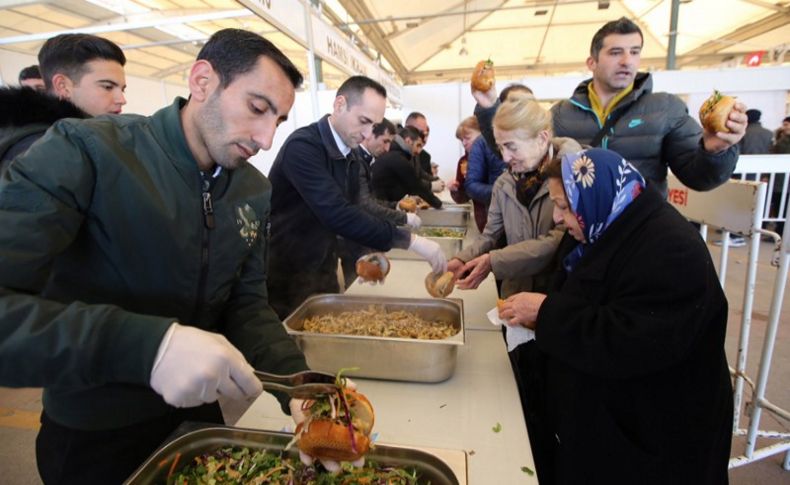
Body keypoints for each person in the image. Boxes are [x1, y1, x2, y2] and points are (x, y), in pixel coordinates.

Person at [0, 29, 311, 483]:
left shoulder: (252, 190)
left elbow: (245, 304)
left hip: (198, 425)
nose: (266, 139)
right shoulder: (87, 150)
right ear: (202, 81)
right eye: (257, 108)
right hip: (94, 435)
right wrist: (151, 346)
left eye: (278, 121)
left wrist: (302, 386)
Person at [500, 148, 733, 484]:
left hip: (652, 435)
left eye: (564, 207)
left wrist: (546, 312)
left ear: (600, 192)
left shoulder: (671, 249)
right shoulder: (602, 226)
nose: (557, 218)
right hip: (604, 418)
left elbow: (632, 339)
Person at [267, 76, 446, 319]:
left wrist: (366, 254)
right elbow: (336, 213)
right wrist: (409, 240)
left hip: (324, 269)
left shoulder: (350, 156)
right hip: (287, 275)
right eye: (363, 121)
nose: (366, 133)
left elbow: (356, 209)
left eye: (373, 125)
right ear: (340, 105)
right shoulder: (303, 148)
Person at [549, 17, 747, 196]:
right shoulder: (560, 114)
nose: (627, 61)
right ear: (592, 62)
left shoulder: (665, 108)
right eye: (615, 53)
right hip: (577, 229)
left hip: (641, 229)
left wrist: (715, 151)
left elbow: (699, 178)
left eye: (634, 52)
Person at [0, 34, 127, 171]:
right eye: (107, 87)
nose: (122, 100)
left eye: (122, 89)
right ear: (63, 86)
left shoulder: (74, 141)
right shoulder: (43, 151)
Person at [337, 119, 421, 289]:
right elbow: (364, 204)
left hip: (359, 238)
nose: (387, 148)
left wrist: (394, 206)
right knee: (357, 289)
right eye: (385, 141)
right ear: (369, 135)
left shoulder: (366, 160)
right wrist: (402, 217)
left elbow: (370, 199)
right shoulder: (357, 161)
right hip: (348, 241)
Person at [371, 125, 443, 209]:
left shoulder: (397, 155)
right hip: (381, 207)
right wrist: (439, 204)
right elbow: (417, 185)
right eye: (418, 145)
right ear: (408, 141)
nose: (419, 151)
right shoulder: (398, 158)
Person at [448, 116, 484, 227]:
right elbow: (462, 198)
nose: (464, 143)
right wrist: (455, 189)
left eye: (467, 138)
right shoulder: (463, 162)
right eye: (461, 140)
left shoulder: (495, 157)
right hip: (481, 218)